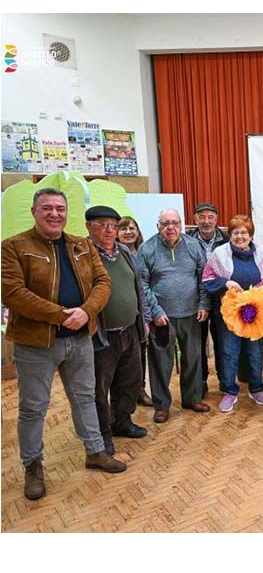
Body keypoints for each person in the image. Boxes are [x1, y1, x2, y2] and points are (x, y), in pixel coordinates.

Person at [2, 188, 127, 500]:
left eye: (60, 208)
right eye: (47, 208)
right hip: (35, 344)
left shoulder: (80, 244)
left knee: (85, 398)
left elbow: (103, 282)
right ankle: (33, 465)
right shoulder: (13, 247)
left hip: (79, 339)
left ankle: (95, 451)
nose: (54, 213)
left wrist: (86, 311)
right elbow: (12, 293)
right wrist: (62, 316)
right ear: (34, 211)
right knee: (33, 408)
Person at [137, 208, 212, 423]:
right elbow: (142, 284)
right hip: (163, 317)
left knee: (193, 359)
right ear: (158, 226)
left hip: (191, 314)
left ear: (182, 224)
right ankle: (162, 406)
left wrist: (204, 304)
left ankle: (192, 398)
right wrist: (156, 311)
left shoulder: (193, 245)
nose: (171, 227)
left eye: (175, 223)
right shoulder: (147, 248)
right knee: (161, 362)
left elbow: (203, 277)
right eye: (165, 223)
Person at [86, 206, 150, 454]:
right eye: (103, 225)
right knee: (100, 387)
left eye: (113, 225)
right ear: (89, 227)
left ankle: (122, 421)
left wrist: (143, 317)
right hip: (102, 335)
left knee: (129, 381)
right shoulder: (84, 254)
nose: (110, 230)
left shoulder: (123, 251)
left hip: (130, 330)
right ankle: (102, 434)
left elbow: (138, 288)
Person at [202, 215, 263, 411]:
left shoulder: (262, 254)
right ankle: (229, 391)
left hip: (255, 315)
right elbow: (207, 279)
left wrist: (258, 292)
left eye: (244, 232)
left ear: (250, 235)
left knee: (255, 351)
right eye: (235, 232)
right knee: (228, 353)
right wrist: (226, 283)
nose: (240, 236)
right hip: (228, 315)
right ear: (229, 234)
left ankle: (256, 388)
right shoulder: (219, 254)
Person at [186, 203, 230, 397]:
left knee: (222, 341)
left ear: (216, 219)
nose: (206, 221)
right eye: (201, 217)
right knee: (198, 342)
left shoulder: (227, 240)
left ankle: (224, 378)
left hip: (222, 298)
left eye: (210, 217)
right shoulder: (186, 241)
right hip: (196, 299)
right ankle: (201, 380)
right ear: (195, 219)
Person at [118, 215, 152, 407]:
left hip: (144, 312)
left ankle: (140, 390)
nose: (128, 232)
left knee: (141, 354)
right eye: (123, 229)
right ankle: (125, 396)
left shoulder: (144, 253)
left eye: (132, 228)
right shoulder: (115, 254)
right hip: (124, 314)